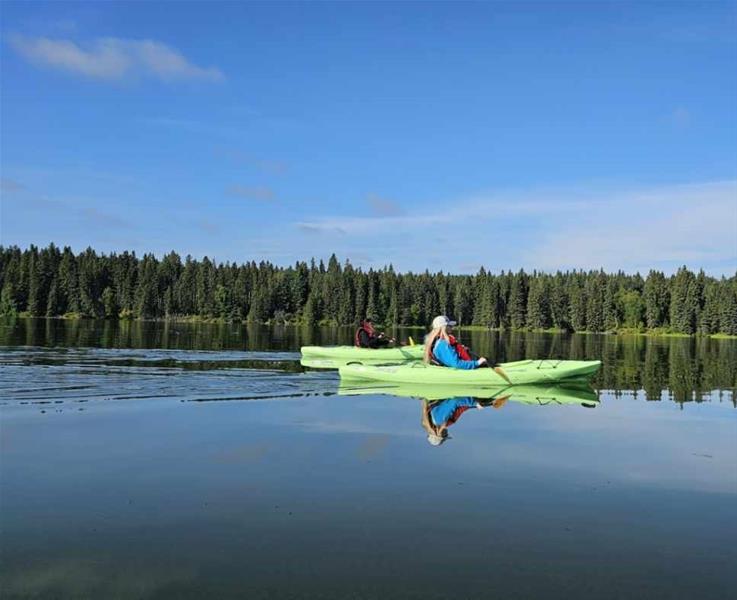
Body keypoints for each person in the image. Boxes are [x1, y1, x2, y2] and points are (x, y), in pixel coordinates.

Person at [420, 395, 509, 446]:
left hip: (458, 397)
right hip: (465, 400)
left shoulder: (439, 419)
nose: (446, 434)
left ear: (437, 433)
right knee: (485, 402)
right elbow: (460, 408)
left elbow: (455, 401)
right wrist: (475, 406)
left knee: (482, 401)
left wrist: (475, 403)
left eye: (444, 435)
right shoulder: (443, 423)